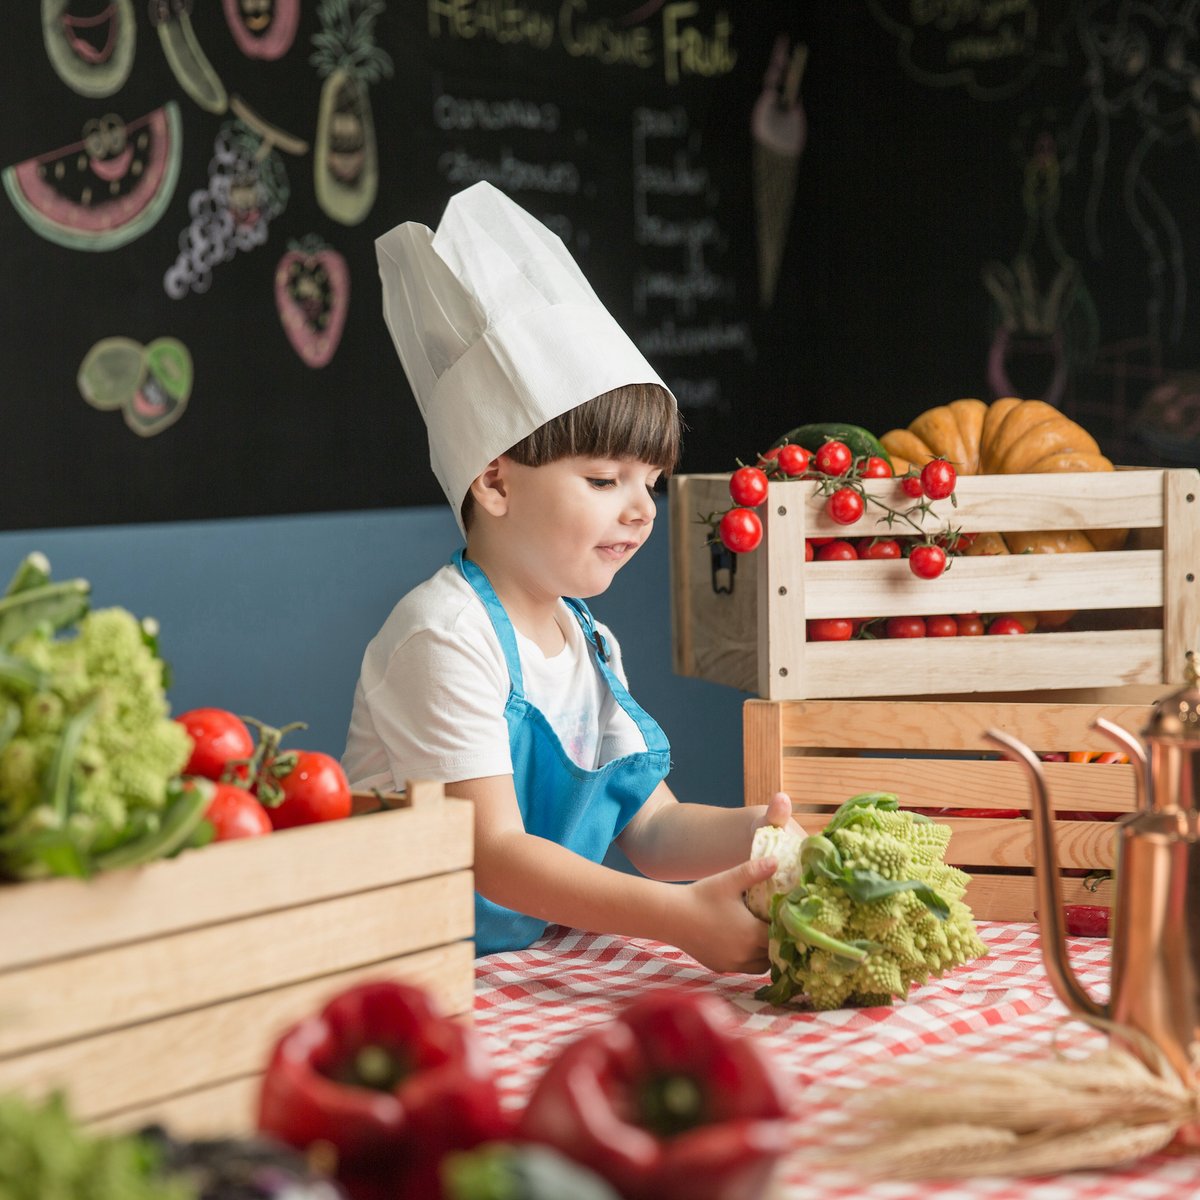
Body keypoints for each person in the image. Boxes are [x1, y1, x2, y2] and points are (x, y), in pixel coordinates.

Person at [344, 181, 800, 973]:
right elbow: (495, 853)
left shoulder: (586, 642)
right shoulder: (445, 637)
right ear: (494, 481)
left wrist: (773, 833)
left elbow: (654, 835)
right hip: (403, 970)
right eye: (603, 481)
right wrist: (682, 921)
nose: (641, 511)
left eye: (650, 483)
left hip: (503, 970)